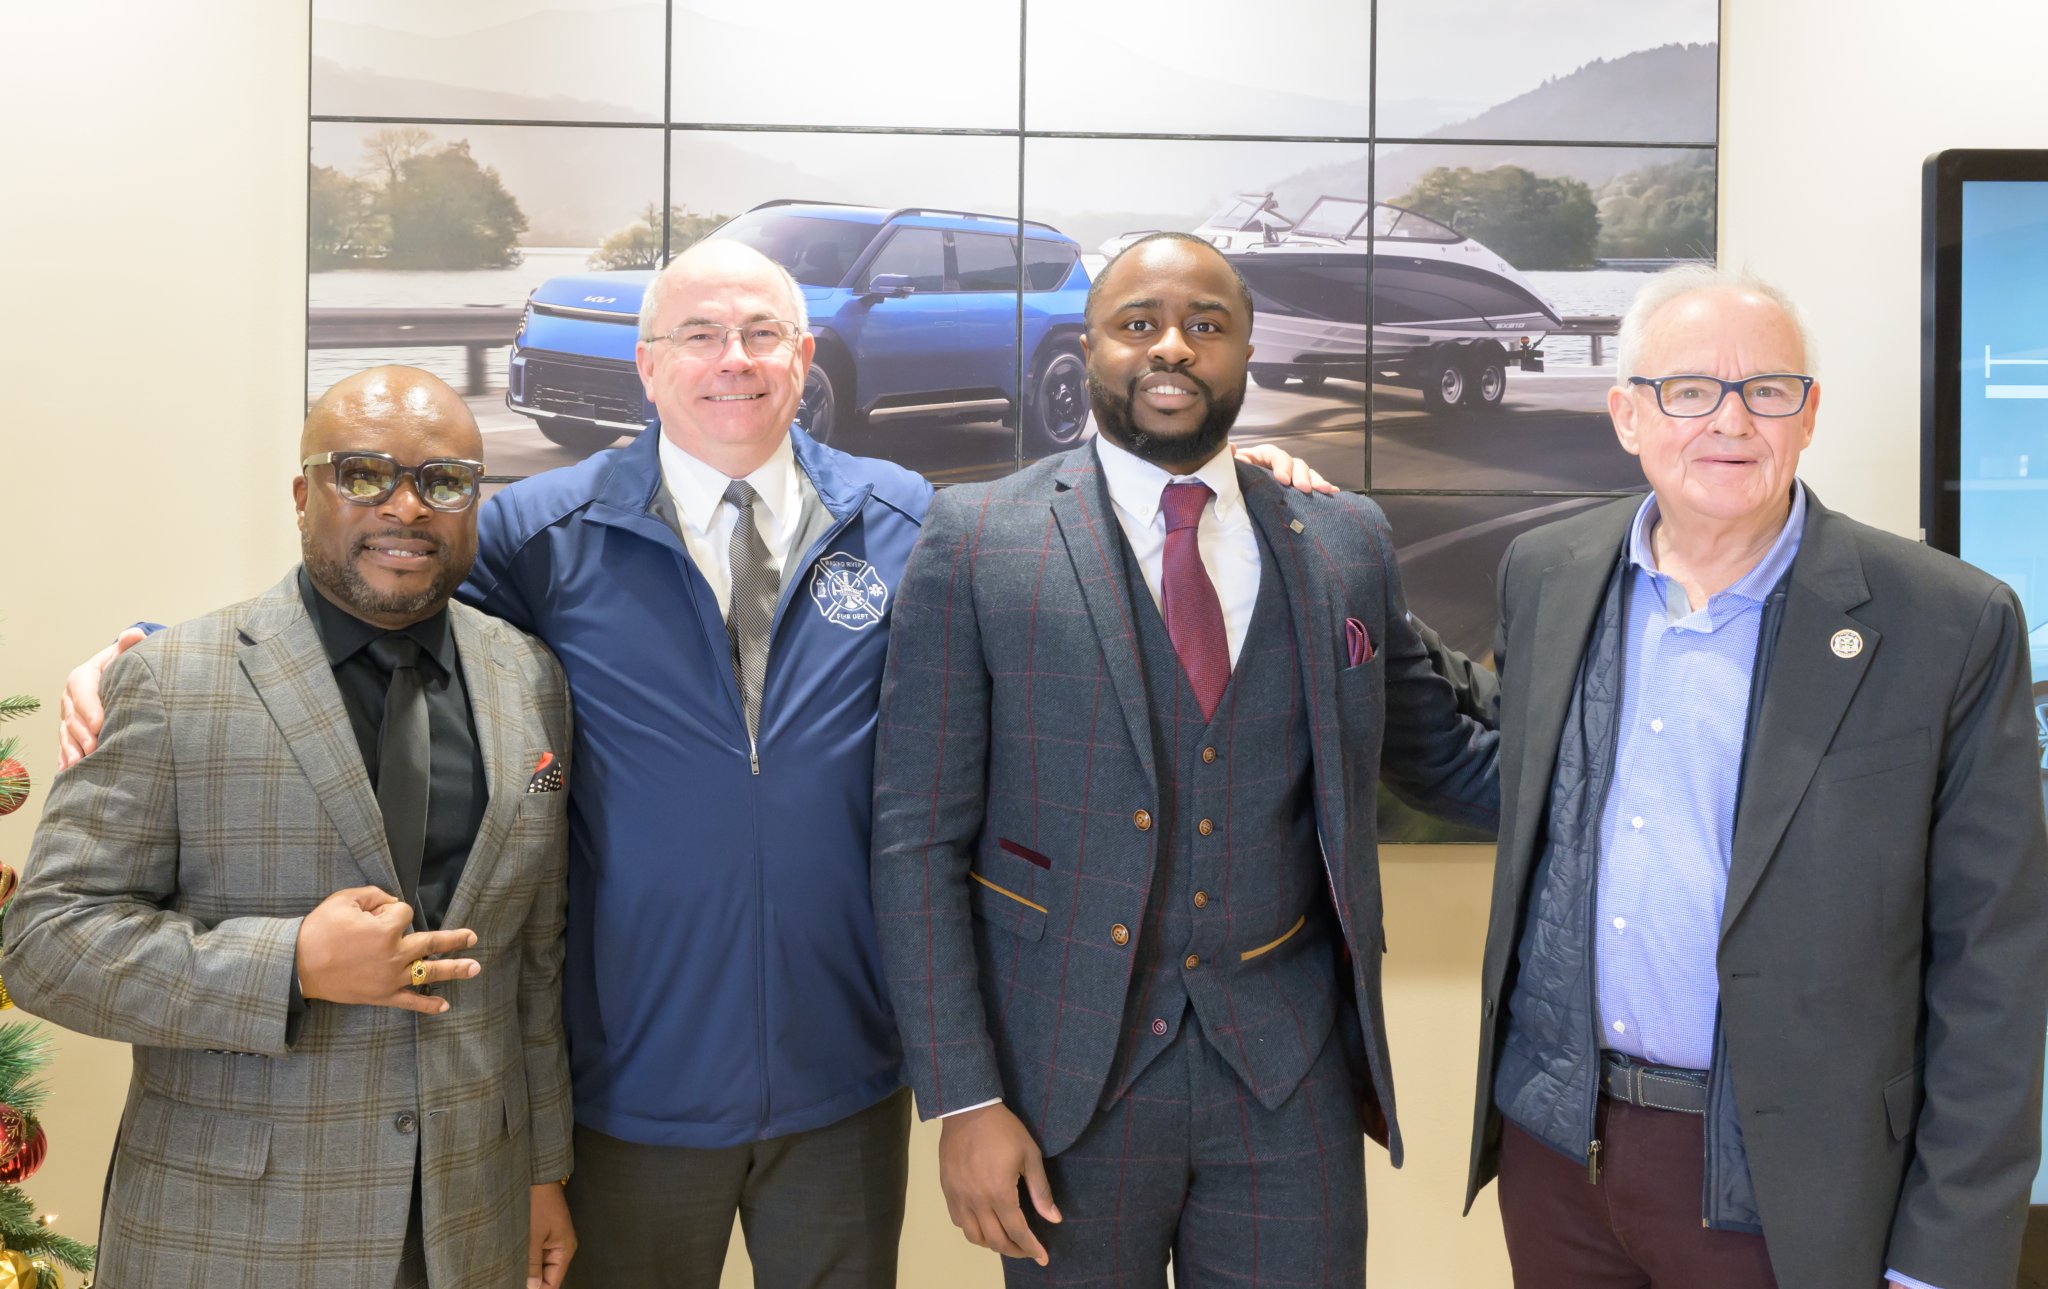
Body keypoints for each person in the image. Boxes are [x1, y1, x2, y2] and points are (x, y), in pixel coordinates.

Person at [62, 239, 1332, 1287]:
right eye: (699, 337)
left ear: (806, 358)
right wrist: (151, 652)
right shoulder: (536, 530)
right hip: (627, 1086)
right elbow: (379, 592)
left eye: (763, 335)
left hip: (844, 1077)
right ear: (646, 366)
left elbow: (1081, 554)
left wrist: (1231, 480)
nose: (734, 362)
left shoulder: (913, 524)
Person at [868, 232, 1499, 1286]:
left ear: (1247, 350)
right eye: (1139, 323)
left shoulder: (1342, 540)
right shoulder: (975, 538)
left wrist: (1620, 777)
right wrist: (964, 1096)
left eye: (1205, 326)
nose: (1172, 347)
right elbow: (913, 838)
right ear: (1090, 346)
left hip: (1285, 1071)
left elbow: (1440, 756)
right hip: (1063, 1078)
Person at [1463, 266, 2048, 1289]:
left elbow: (1992, 962)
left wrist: (1941, 1260)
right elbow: (1504, 773)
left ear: (1807, 414)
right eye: (1688, 389)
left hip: (1792, 1181)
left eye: (1766, 389)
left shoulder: (1946, 623)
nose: (1728, 421)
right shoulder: (1548, 572)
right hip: (1558, 1152)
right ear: (1626, 414)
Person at [7, 367, 576, 1289]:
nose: (406, 507)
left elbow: (534, 959)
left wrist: (543, 1168)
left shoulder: (529, 679)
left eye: (443, 482)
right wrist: (293, 964)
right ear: (304, 494)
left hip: (470, 1218)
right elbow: (46, 944)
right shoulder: (173, 680)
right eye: (363, 474)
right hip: (236, 1231)